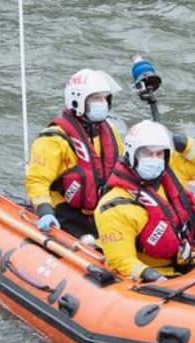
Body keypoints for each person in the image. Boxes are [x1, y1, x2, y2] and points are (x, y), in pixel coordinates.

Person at [94, 120, 195, 282]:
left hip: (188, 259)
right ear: (132, 154)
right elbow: (121, 261)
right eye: (147, 153)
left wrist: (182, 142)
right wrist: (150, 276)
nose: (154, 159)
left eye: (160, 153)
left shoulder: (173, 173)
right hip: (158, 272)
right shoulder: (114, 207)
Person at [25, 68, 125, 237]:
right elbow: (37, 180)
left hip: (102, 208)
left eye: (105, 98)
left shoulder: (111, 133)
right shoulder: (54, 139)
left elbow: (124, 170)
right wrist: (44, 211)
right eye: (96, 98)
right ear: (78, 100)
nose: (103, 103)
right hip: (66, 210)